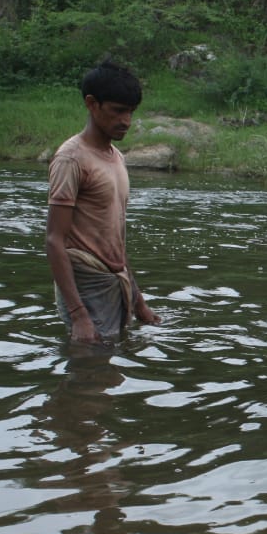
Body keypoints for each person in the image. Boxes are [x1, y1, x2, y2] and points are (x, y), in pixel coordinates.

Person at [45, 60, 160, 343]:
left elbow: (115, 238)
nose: (127, 121)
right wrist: (79, 315)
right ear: (92, 104)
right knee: (89, 370)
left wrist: (139, 302)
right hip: (87, 284)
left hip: (114, 280)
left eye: (131, 112)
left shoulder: (117, 158)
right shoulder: (71, 159)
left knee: (108, 371)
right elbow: (54, 240)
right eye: (118, 111)